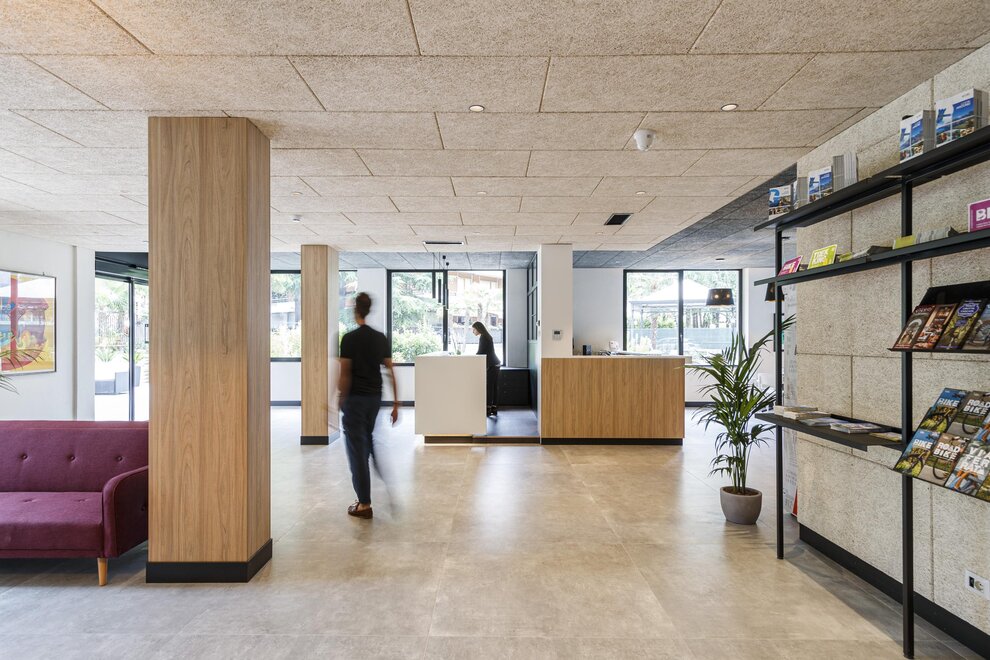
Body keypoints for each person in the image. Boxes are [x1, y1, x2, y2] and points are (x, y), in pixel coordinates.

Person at [338, 292, 399, 520]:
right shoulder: (380, 338)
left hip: (355, 400)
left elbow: (345, 373)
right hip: (374, 400)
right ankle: (381, 479)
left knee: (357, 452)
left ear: (356, 310)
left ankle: (364, 503)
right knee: (367, 440)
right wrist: (396, 403)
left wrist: (340, 398)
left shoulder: (349, 339)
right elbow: (390, 371)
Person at [472, 321, 501, 417]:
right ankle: (494, 408)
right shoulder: (487, 336)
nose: (473, 331)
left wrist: (472, 358)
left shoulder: (483, 337)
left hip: (492, 365)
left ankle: (488, 408)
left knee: (489, 387)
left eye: (474, 329)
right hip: (496, 363)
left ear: (478, 329)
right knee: (494, 386)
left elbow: (480, 352)